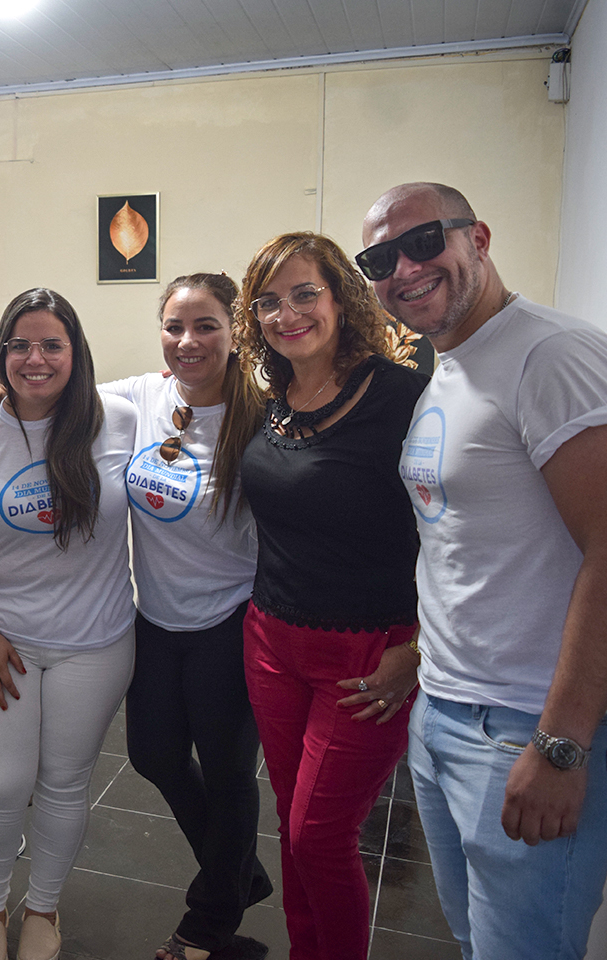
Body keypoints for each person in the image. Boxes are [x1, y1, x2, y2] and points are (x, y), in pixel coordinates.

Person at [0, 275, 272, 960]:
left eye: (207, 326)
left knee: (227, 771)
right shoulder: (141, 399)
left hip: (229, 621)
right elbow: (52, 390)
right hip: (153, 618)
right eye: (174, 327)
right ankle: (237, 870)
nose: (188, 342)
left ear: (236, 332)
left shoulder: (260, 418)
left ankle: (211, 917)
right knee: (153, 755)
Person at [360, 182, 607, 960]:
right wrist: (424, 657)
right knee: (476, 940)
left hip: (522, 725)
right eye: (380, 260)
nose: (404, 269)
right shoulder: (453, 365)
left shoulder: (550, 354)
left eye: (423, 242)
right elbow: (467, 544)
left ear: (479, 238)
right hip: (444, 713)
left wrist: (561, 743)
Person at [234, 232, 428, 960]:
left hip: (368, 658)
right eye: (269, 303)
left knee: (319, 833)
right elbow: (167, 390)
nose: (287, 315)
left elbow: (460, 533)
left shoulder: (402, 396)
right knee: (293, 823)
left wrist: (419, 648)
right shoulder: (270, 398)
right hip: (271, 641)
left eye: (304, 294)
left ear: (342, 298)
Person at [0, 288, 137, 960]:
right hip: (4, 644)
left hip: (96, 645)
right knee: (1, 783)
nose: (35, 358)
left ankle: (43, 909)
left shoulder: (122, 418)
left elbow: (196, 390)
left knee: (64, 782)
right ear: (2, 355)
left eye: (52, 344)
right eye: (19, 345)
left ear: (76, 352)